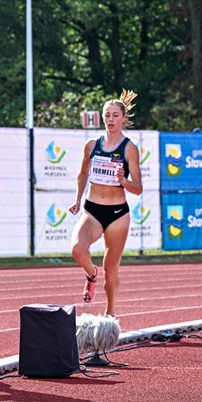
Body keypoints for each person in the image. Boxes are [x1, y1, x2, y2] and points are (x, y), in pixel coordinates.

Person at [67, 90, 143, 316]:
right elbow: (82, 173)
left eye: (115, 115)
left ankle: (110, 316)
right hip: (92, 211)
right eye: (107, 115)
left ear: (123, 119)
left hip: (117, 214)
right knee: (77, 250)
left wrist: (123, 181)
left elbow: (138, 187)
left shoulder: (129, 148)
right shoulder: (91, 145)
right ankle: (91, 274)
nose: (110, 120)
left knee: (111, 271)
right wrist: (77, 199)